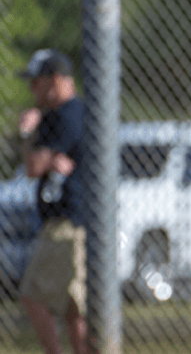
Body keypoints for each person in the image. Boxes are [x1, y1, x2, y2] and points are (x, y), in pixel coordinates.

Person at [16, 49, 88, 354]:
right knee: (74, 305)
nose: (32, 90)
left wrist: (26, 132)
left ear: (56, 80)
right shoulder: (80, 111)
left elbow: (33, 168)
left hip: (66, 223)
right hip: (80, 219)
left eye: (37, 82)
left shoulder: (63, 116)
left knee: (32, 295)